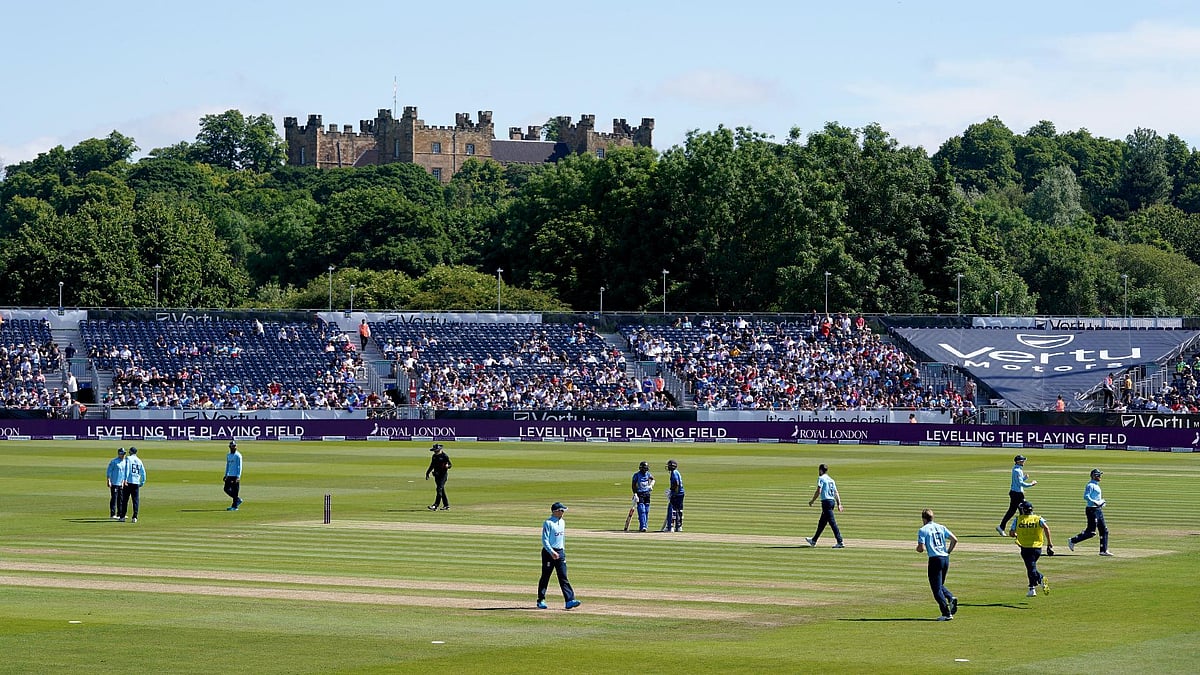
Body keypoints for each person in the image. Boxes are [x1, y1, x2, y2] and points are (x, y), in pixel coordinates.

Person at [537, 501, 581, 610]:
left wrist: (562, 551)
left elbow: (562, 538)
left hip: (560, 552)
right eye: (561, 510)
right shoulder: (548, 523)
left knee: (563, 577)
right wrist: (552, 552)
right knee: (545, 576)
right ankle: (541, 600)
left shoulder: (562, 522)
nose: (563, 512)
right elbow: (545, 540)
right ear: (555, 511)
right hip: (549, 553)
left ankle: (569, 600)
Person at [916, 508, 958, 621]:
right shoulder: (941, 527)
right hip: (945, 558)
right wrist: (948, 551)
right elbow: (954, 540)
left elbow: (921, 548)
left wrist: (918, 548)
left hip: (935, 559)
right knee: (939, 584)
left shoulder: (923, 530)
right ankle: (950, 597)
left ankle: (946, 613)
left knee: (936, 589)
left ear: (923, 518)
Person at [1008, 500, 1053, 597]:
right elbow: (1046, 528)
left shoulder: (1018, 519)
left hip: (1025, 548)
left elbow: (1011, 533)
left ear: (1023, 510)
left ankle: (1041, 579)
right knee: (1030, 567)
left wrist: (1016, 535)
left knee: (1031, 568)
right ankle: (1031, 589)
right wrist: (1049, 543)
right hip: (1037, 548)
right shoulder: (1038, 519)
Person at [1067, 469, 1112, 556]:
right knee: (1091, 532)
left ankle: (1103, 550)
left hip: (1098, 509)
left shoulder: (1096, 485)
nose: (1100, 477)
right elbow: (1086, 496)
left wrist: (1101, 502)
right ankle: (1072, 540)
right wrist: (1094, 502)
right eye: (1098, 475)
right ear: (1093, 476)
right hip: (1092, 510)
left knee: (1104, 530)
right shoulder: (1090, 485)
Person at [805, 464, 844, 548]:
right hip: (831, 502)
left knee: (832, 522)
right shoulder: (831, 480)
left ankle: (840, 541)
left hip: (826, 502)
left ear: (820, 470)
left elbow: (819, 491)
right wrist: (839, 504)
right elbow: (836, 492)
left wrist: (812, 501)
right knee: (822, 523)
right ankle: (814, 540)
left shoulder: (821, 478)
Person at [996, 455, 1037, 535]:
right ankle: (1018, 530)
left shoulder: (1017, 469)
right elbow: (1020, 483)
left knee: (1013, 511)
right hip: (1017, 494)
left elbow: (1018, 481)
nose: (1024, 462)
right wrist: (1031, 484)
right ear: (1018, 461)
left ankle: (1002, 527)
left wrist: (1024, 478)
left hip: (1016, 493)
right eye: (1022, 461)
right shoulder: (1017, 470)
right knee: (1023, 511)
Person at [123, 446, 147, 523]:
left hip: (129, 481)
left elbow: (127, 469)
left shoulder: (128, 458)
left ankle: (123, 516)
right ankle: (135, 517)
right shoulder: (139, 461)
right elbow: (143, 473)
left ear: (130, 452)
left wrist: (125, 479)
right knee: (135, 501)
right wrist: (142, 482)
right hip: (136, 482)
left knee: (125, 500)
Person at [425, 443, 452, 510]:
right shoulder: (434, 456)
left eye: (436, 451)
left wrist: (447, 466)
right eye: (434, 451)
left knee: (439, 489)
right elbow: (432, 465)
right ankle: (446, 505)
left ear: (440, 450)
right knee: (441, 490)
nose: (435, 452)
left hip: (443, 475)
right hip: (437, 475)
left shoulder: (444, 456)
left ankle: (435, 505)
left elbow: (450, 465)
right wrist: (427, 473)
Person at [631, 461, 655, 532]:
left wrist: (651, 485)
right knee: (642, 510)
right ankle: (643, 526)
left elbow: (653, 479)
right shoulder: (637, 475)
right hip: (640, 494)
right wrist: (635, 494)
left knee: (646, 510)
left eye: (646, 468)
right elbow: (633, 485)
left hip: (647, 494)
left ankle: (645, 525)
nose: (645, 470)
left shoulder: (648, 474)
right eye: (644, 468)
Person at [662, 459, 684, 532]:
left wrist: (672, 492)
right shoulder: (677, 472)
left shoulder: (673, 473)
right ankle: (679, 527)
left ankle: (670, 527)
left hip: (677, 494)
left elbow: (676, 484)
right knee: (679, 510)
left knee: (671, 509)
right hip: (681, 493)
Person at [106, 448, 127, 520]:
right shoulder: (114, 461)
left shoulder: (125, 462)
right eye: (122, 454)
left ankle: (120, 514)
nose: (123, 455)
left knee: (121, 499)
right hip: (114, 482)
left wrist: (124, 481)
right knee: (114, 498)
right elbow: (109, 471)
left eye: (124, 454)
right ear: (119, 454)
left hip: (122, 483)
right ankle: (112, 514)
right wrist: (108, 480)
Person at [224, 440, 243, 511]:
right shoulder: (228, 455)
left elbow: (239, 466)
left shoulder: (238, 456)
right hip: (229, 475)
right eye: (232, 446)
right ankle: (237, 499)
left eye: (234, 446)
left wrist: (238, 476)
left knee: (235, 491)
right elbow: (228, 465)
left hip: (235, 476)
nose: (233, 447)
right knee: (226, 489)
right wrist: (226, 474)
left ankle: (235, 506)